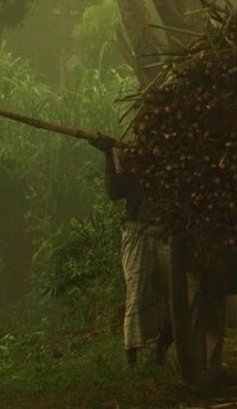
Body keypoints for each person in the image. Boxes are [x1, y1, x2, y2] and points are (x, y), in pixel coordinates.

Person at [89, 134, 172, 366]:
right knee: (137, 296)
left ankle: (160, 351)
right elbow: (114, 192)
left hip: (165, 238)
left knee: (172, 300)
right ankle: (131, 359)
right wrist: (107, 154)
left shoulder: (171, 171)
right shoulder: (135, 174)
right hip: (139, 237)